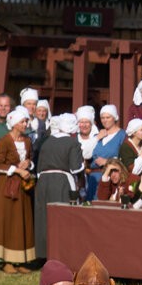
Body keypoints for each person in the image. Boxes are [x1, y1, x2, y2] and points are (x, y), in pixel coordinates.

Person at [0, 107, 37, 272]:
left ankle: (21, 260)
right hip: (7, 186)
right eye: (22, 121)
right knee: (8, 220)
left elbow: (30, 159)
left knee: (21, 221)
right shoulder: (5, 141)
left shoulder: (27, 141)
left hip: (22, 187)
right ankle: (7, 261)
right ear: (14, 123)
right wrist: (17, 170)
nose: (25, 124)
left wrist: (28, 164)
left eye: (26, 121)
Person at [31, 111, 83, 262]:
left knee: (43, 217)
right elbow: (75, 168)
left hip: (43, 182)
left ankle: (43, 253)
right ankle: (61, 254)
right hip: (61, 182)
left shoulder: (47, 141)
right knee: (63, 217)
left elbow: (39, 167)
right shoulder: (72, 143)